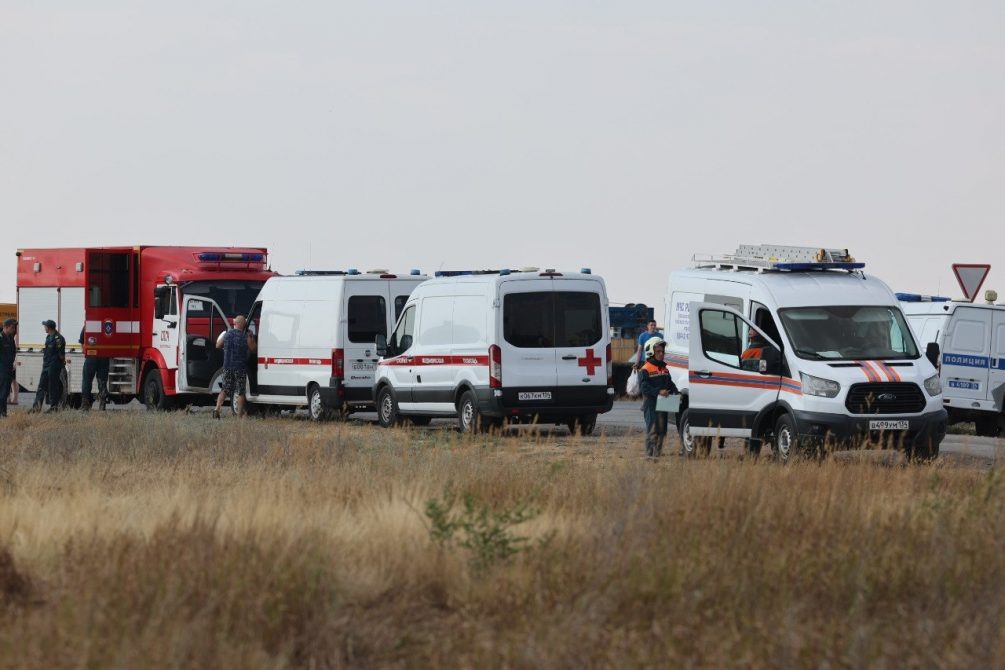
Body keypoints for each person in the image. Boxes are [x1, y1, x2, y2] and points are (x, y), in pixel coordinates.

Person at [638, 336, 678, 458]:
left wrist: (676, 392)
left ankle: (658, 454)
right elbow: (644, 387)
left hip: (663, 404)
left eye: (662, 351)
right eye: (658, 351)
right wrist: (659, 391)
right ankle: (650, 455)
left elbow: (670, 384)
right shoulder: (645, 369)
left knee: (662, 431)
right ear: (651, 352)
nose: (661, 354)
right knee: (653, 429)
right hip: (650, 404)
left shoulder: (664, 369)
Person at [212, 315, 256, 418]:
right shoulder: (246, 336)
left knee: (225, 389)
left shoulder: (227, 335)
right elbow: (253, 349)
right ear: (244, 325)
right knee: (240, 391)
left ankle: (217, 408)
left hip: (227, 367)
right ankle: (239, 415)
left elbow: (218, 345)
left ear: (235, 324)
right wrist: (252, 337)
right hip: (240, 367)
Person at [32, 319, 66, 413]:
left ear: (49, 327)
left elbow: (61, 355)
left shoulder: (58, 338)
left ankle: (53, 408)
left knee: (53, 387)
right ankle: (36, 408)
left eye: (45, 326)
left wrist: (60, 364)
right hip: (46, 365)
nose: (44, 328)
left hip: (54, 366)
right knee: (41, 387)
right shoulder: (48, 337)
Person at [78, 326, 109, 411]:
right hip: (104, 357)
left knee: (87, 380)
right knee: (102, 381)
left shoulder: (88, 325)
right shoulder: (106, 326)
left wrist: (85, 351)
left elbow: (81, 341)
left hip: (91, 356)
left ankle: (85, 405)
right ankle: (102, 405)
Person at [0, 319, 17, 418]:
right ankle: (2, 413)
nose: (14, 329)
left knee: (6, 392)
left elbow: (13, 352)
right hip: (2, 369)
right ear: (5, 327)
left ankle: (3, 413)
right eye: (12, 327)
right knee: (2, 392)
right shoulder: (1, 338)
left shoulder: (10, 338)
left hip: (8, 368)